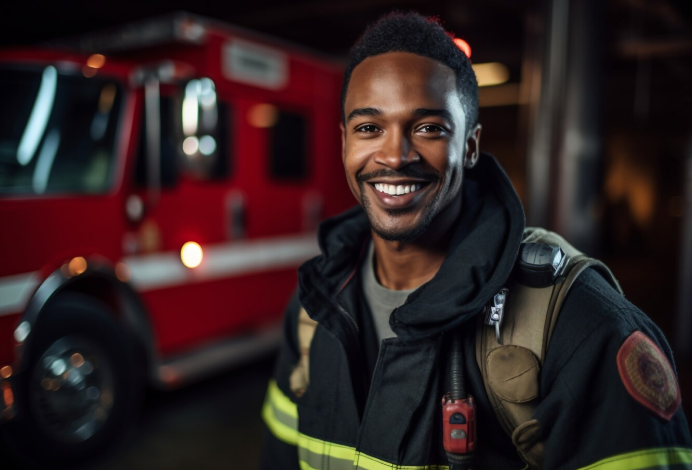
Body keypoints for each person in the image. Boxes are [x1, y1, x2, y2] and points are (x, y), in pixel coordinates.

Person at [260, 11, 692, 470]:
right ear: (345, 141)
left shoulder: (579, 322)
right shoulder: (317, 303)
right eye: (369, 128)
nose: (394, 155)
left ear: (470, 146)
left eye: (428, 128)